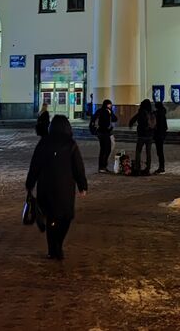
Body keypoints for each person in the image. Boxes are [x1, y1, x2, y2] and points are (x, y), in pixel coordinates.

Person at [26, 115, 88, 260]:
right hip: (65, 188)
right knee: (65, 217)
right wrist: (82, 185)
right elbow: (78, 167)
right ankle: (58, 245)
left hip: (46, 186)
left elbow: (35, 165)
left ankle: (52, 249)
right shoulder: (70, 144)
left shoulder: (44, 142)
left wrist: (30, 183)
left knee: (51, 218)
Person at [128, 99, 156, 176]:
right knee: (148, 152)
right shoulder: (151, 112)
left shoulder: (141, 112)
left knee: (138, 151)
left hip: (141, 135)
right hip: (150, 135)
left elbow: (133, 119)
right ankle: (148, 169)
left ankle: (137, 169)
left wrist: (130, 124)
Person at [92, 99, 117, 172]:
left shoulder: (99, 111)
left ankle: (102, 166)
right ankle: (102, 166)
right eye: (110, 104)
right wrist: (111, 113)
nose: (111, 106)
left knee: (104, 149)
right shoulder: (107, 111)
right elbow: (114, 119)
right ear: (107, 105)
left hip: (100, 132)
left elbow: (93, 119)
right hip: (105, 132)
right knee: (106, 149)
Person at [153, 99, 168, 174]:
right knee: (160, 152)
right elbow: (165, 127)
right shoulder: (162, 113)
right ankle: (161, 167)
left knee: (159, 152)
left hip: (158, 135)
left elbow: (157, 125)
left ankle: (161, 167)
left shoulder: (158, 114)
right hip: (162, 135)